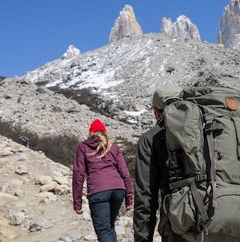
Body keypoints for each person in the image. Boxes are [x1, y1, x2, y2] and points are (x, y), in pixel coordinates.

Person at [133, 85, 184, 242]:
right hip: (217, 219)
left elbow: (145, 199)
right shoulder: (206, 130)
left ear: (156, 111)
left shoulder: (150, 139)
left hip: (178, 225)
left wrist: (142, 239)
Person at [73, 119, 133, 242]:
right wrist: (129, 198)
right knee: (109, 227)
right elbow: (125, 173)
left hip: (98, 191)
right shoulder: (113, 147)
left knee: (103, 230)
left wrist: (77, 202)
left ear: (90, 132)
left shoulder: (83, 147)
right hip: (118, 190)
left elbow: (78, 174)